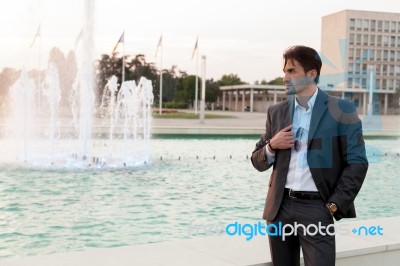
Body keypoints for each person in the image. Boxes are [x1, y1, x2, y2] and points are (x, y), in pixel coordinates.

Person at [251, 45, 368, 266]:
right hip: (280, 208)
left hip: (317, 208)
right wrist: (272, 146)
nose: (285, 77)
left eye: (292, 71)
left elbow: (357, 163)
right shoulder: (276, 112)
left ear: (312, 74)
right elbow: (257, 161)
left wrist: (334, 205)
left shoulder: (342, 110)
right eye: (285, 71)